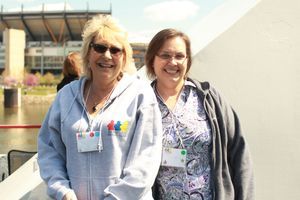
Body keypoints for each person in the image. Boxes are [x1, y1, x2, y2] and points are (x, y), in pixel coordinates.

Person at [38, 15, 162, 200]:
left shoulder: (140, 95)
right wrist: (62, 191)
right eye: (100, 48)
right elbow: (49, 150)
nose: (107, 55)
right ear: (88, 53)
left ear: (124, 57)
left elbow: (146, 160)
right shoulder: (66, 97)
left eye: (115, 50)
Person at [145, 28, 254, 200]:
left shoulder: (209, 98)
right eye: (165, 55)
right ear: (152, 60)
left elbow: (239, 153)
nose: (172, 62)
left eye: (179, 56)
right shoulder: (143, 103)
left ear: (187, 61)